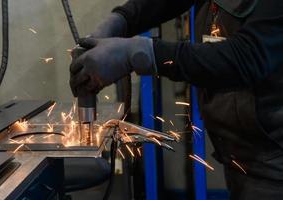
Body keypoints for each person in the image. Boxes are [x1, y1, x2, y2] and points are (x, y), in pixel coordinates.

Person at [69, 0, 283, 199]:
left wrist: (139, 54)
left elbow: (247, 57)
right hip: (243, 157)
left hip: (274, 168)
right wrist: (123, 19)